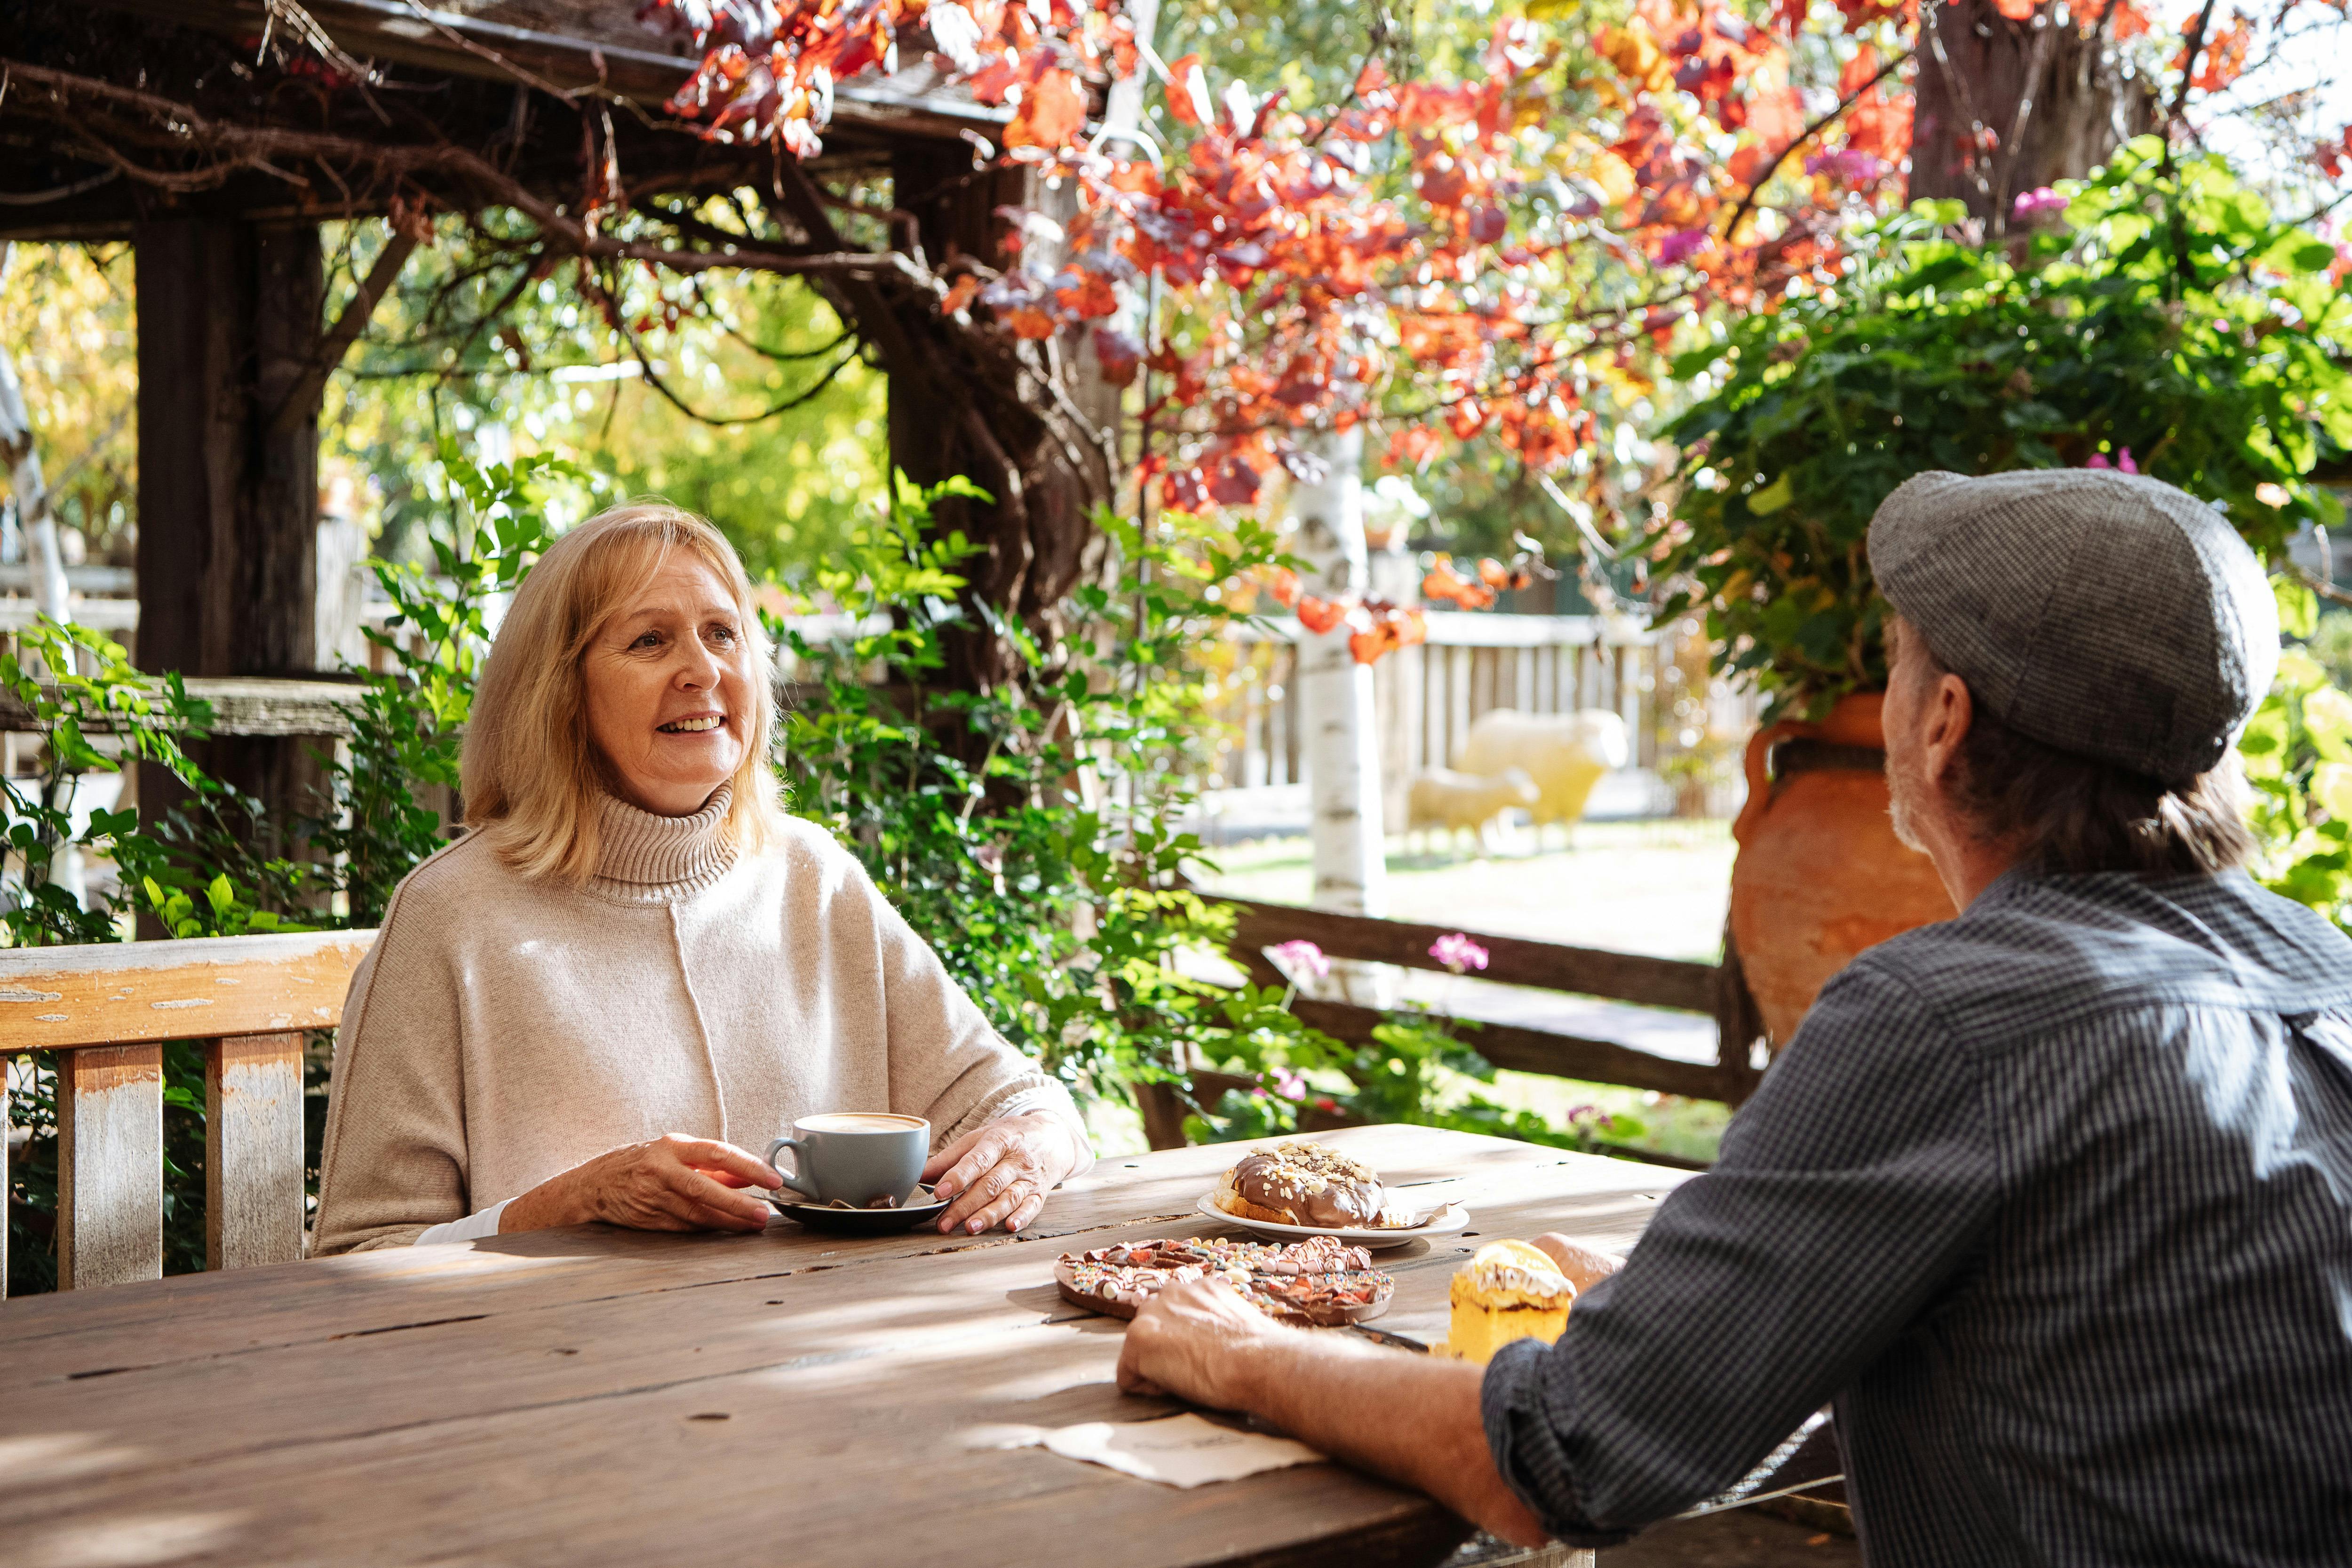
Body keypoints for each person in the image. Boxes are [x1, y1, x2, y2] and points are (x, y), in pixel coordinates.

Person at [1117, 469, 2352, 1564]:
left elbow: (1566, 1455)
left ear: (1943, 720)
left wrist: (1240, 1348)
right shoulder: (2327, 972)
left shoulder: (1947, 1017)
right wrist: (1707, 1309)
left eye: (1895, 659)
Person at [312, 502, 1091, 1253]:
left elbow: (1020, 1102)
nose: (703, 669)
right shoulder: (448, 916)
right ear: (559, 692)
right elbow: (360, 1257)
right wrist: (569, 1207)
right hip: (561, 1348)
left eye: (723, 632)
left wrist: (1035, 1141)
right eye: (650, 640)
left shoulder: (816, 879)